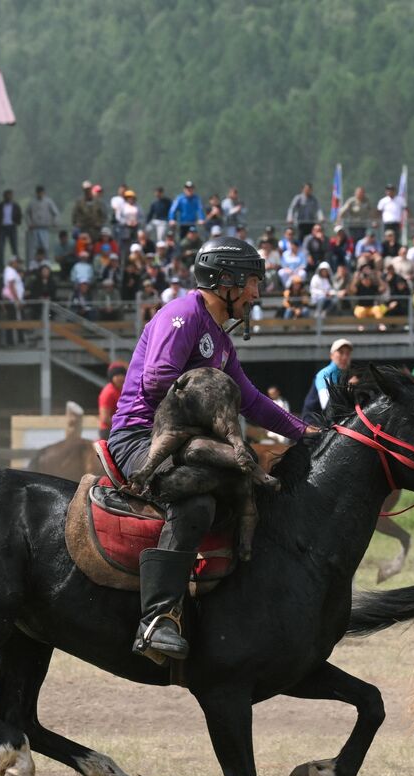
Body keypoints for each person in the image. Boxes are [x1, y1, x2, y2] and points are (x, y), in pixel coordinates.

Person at [108, 236, 320, 661]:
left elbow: (253, 402)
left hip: (190, 442)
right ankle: (157, 620)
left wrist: (307, 432)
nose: (257, 294)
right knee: (197, 501)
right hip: (141, 438)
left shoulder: (220, 341)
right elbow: (156, 380)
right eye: (253, 283)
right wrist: (209, 400)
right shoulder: (182, 316)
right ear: (227, 281)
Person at [98, 361, 127, 441]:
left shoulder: (125, 390)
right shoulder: (108, 392)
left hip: (122, 429)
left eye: (122, 374)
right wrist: (124, 424)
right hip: (109, 431)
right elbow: (105, 418)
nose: (120, 377)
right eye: (117, 375)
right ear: (112, 377)